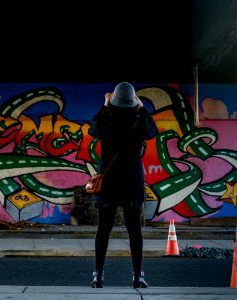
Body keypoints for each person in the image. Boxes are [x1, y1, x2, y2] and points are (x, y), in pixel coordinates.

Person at [88, 82, 158, 288]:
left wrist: (105, 104)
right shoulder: (138, 120)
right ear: (133, 101)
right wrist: (142, 106)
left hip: (109, 180)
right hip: (132, 179)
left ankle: (98, 275)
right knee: (134, 229)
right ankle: (138, 276)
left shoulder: (106, 119)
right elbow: (152, 131)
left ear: (114, 100)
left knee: (104, 228)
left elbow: (93, 130)